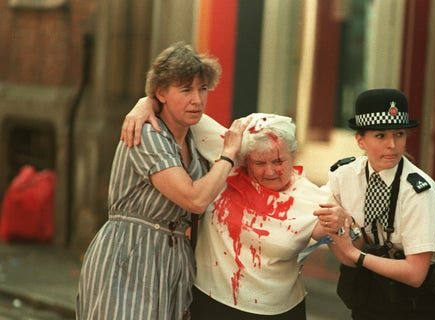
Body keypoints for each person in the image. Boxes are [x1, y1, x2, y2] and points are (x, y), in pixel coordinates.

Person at [121, 100, 346, 319]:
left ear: (294, 155)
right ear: (246, 159)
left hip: (280, 311)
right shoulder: (229, 161)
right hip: (212, 302)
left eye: (278, 161)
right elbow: (175, 107)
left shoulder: (313, 199)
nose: (269, 171)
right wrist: (144, 105)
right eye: (259, 163)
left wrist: (340, 226)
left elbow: (351, 251)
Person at [76, 42, 249, 319]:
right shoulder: (146, 134)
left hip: (174, 263)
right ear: (161, 93)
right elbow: (194, 198)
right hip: (129, 255)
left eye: (202, 88)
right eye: (185, 90)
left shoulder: (197, 135)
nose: (197, 99)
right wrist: (227, 155)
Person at [313, 88, 435, 320]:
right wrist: (340, 228)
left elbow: (415, 274)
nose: (392, 145)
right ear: (360, 140)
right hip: (373, 290)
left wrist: (355, 253)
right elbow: (316, 225)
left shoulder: (418, 191)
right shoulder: (343, 176)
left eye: (399, 134)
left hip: (425, 298)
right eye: (381, 136)